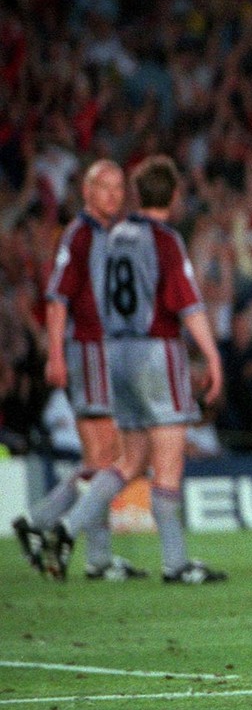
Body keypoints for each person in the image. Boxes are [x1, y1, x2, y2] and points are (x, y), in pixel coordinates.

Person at [39, 156, 228, 584]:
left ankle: (64, 529)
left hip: (114, 353)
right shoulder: (165, 241)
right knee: (168, 464)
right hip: (156, 351)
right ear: (175, 196)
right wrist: (212, 356)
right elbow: (188, 304)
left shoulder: (110, 235)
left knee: (130, 461)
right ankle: (176, 564)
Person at [12, 159, 147, 582]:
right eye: (103, 187)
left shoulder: (104, 235)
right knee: (114, 457)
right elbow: (57, 298)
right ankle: (82, 547)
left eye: (118, 187)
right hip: (87, 352)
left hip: (100, 351)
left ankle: (43, 524)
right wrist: (54, 353)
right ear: (87, 192)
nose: (112, 194)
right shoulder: (82, 234)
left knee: (101, 459)